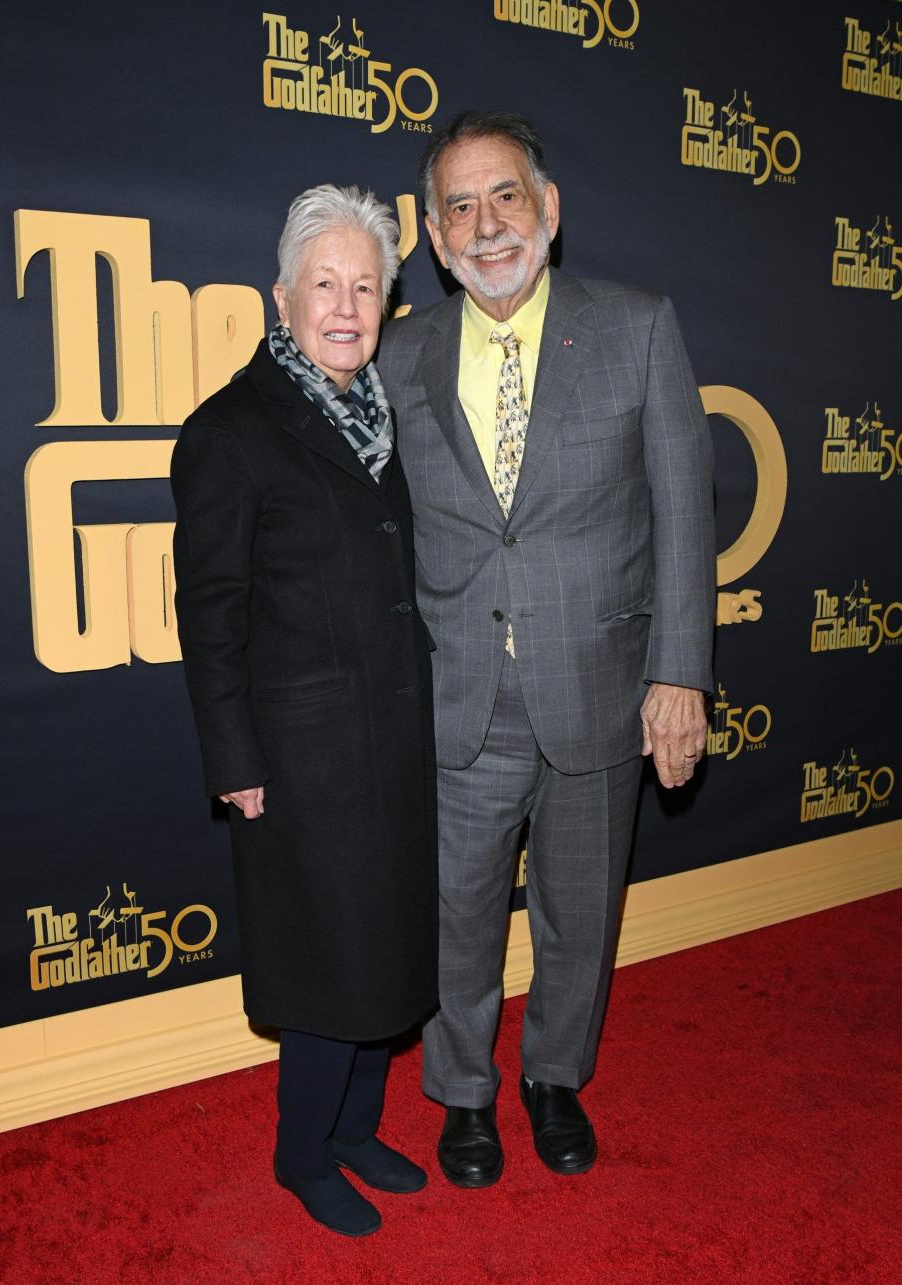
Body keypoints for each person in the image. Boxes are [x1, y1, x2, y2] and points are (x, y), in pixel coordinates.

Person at [377, 112, 716, 1187]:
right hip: (458, 693)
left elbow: (683, 510)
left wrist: (678, 672)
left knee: (581, 908)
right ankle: (464, 1091)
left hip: (602, 688)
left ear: (550, 207)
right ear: (433, 236)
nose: (487, 227)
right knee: (459, 915)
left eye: (505, 197)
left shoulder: (638, 327)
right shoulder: (397, 353)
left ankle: (555, 1075)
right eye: (461, 208)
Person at [171, 185, 438, 1237]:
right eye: (323, 282)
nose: (344, 303)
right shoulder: (230, 431)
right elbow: (212, 615)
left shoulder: (385, 417)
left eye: (364, 285)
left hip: (398, 738)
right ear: (281, 296)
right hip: (299, 755)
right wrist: (233, 756)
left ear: (385, 302)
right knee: (331, 962)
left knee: (389, 952)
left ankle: (355, 1129)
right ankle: (299, 1152)